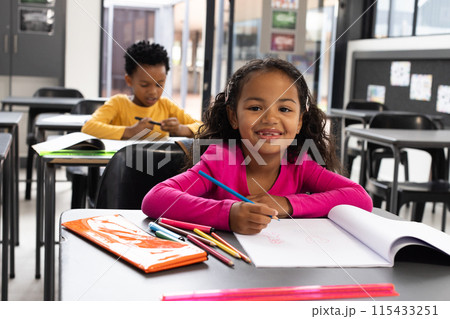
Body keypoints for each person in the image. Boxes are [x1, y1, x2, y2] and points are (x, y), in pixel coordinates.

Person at [142, 58, 372, 234]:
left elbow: (361, 198)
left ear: (300, 120)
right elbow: (155, 199)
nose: (270, 119)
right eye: (255, 108)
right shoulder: (219, 161)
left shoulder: (300, 163)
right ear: (233, 116)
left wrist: (287, 204)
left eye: (284, 109)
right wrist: (227, 214)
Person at [82, 41, 200, 140]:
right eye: (144, 85)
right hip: (122, 167)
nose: (153, 92)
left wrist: (182, 129)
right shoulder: (118, 103)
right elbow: (89, 127)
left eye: (159, 84)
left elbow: (204, 127)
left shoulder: (166, 106)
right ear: (129, 80)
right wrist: (130, 132)